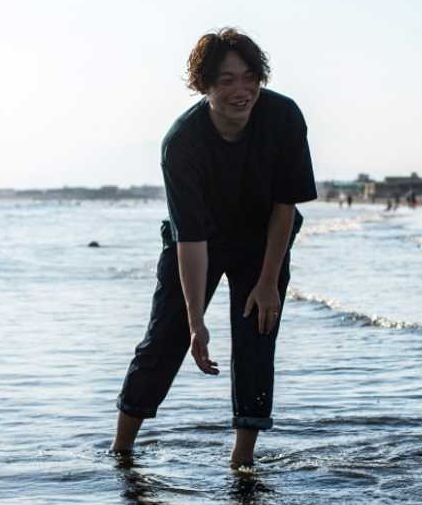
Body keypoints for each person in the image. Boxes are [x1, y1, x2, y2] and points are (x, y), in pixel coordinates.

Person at [111, 28, 317, 468]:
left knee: (257, 338)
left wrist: (267, 283)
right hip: (200, 238)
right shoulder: (182, 142)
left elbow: (285, 206)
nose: (242, 91)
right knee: (166, 338)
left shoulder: (283, 117)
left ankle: (242, 461)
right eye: (226, 80)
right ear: (204, 85)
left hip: (264, 239)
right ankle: (121, 449)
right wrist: (195, 322)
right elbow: (190, 239)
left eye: (250, 78)